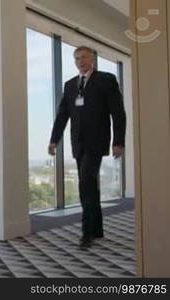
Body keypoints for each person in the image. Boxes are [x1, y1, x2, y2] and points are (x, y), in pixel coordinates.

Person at [48, 46, 126, 248]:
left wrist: (118, 141)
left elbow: (118, 113)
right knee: (90, 184)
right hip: (78, 143)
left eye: (83, 57)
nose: (80, 61)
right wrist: (54, 140)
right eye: (76, 58)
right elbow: (62, 115)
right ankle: (98, 229)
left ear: (92, 59)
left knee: (85, 184)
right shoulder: (70, 85)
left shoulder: (106, 80)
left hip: (97, 141)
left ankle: (87, 233)